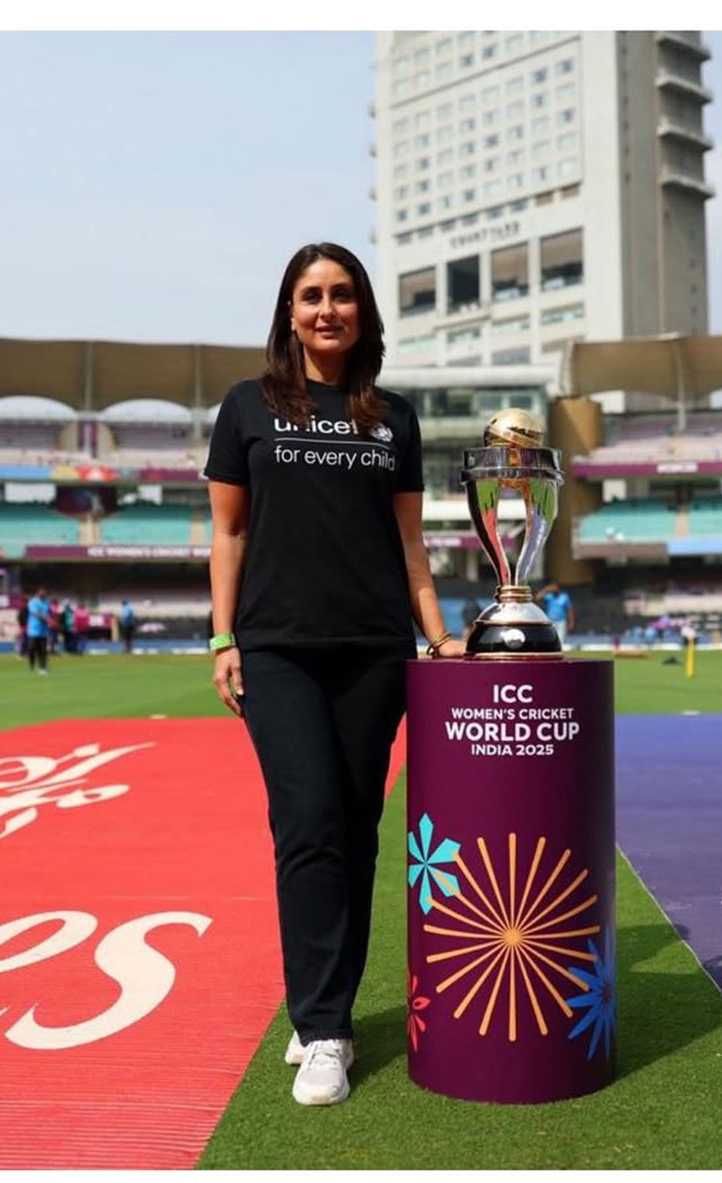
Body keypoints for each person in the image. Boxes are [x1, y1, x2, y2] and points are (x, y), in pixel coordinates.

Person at [204, 242, 465, 1108]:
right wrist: (222, 639)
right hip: (276, 650)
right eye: (312, 295)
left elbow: (410, 545)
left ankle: (326, 1009)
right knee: (308, 824)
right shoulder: (247, 408)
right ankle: (323, 1030)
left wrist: (439, 637)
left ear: (363, 312)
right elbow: (230, 535)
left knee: (355, 834)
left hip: (375, 651)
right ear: (289, 311)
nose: (328, 309)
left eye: (343, 295)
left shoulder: (393, 417)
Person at [537, 580, 575, 648]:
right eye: (553, 587)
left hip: (561, 621)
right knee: (550, 638)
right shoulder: (549, 596)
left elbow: (569, 610)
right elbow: (537, 597)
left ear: (558, 588)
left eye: (555, 587)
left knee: (561, 640)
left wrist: (571, 622)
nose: (554, 589)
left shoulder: (564, 597)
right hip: (551, 621)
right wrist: (546, 589)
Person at [25, 586, 50, 675]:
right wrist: (47, 619)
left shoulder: (46, 603)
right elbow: (36, 613)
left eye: (45, 593)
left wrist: (50, 620)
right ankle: (31, 665)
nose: (44, 594)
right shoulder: (33, 602)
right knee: (31, 649)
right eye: (42, 592)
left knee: (43, 650)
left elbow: (48, 614)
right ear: (38, 592)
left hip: (43, 631)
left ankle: (43, 667)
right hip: (33, 630)